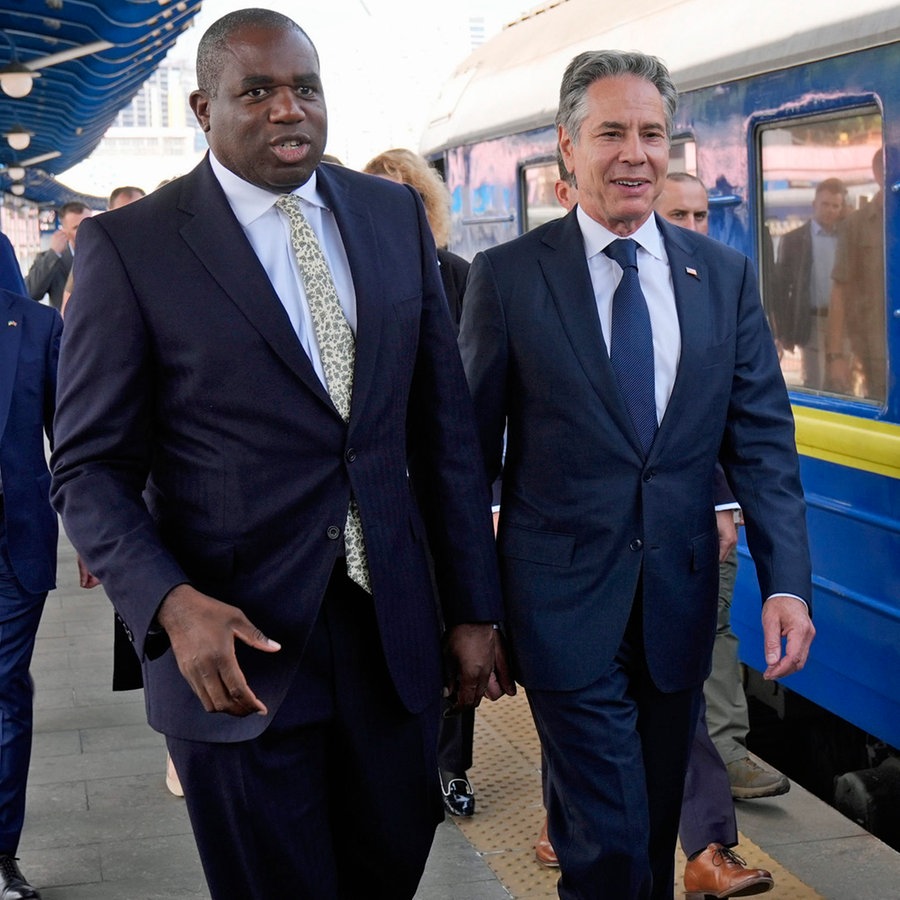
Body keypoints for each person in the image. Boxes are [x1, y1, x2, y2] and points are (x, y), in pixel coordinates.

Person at [50, 9, 512, 900]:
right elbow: (88, 468)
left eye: (305, 89)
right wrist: (171, 605)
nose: (287, 110)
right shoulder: (133, 247)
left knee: (387, 874)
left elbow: (443, 431)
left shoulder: (388, 217)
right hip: (237, 660)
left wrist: (473, 608)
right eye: (256, 91)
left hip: (393, 648)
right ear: (202, 106)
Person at [459, 50, 814, 899]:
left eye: (652, 133)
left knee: (651, 832)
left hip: (678, 606)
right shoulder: (508, 279)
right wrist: (471, 614)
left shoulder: (720, 277)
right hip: (558, 610)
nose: (635, 153)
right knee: (608, 840)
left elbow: (763, 441)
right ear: (567, 149)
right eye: (611, 132)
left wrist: (787, 584)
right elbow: (470, 458)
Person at [655, 173, 776, 898]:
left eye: (704, 212)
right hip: (592, 547)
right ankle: (561, 812)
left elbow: (743, 414)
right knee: (586, 697)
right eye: (681, 213)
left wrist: (725, 503)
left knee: (687, 690)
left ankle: (706, 848)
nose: (695, 225)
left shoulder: (722, 283)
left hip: (695, 532)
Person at [363, 147, 477, 815]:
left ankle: (451, 768)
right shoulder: (354, 276)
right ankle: (401, 762)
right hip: (376, 486)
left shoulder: (458, 276)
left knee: (455, 625)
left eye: (406, 195)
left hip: (436, 486)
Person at [0, 270, 63, 900]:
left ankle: (1, 856)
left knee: (2, 688)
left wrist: (99, 533)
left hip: (13, 542)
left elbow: (69, 436)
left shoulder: (37, 324)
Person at [772, 178, 846, 390]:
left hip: (843, 323)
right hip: (812, 321)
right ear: (814, 204)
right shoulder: (794, 239)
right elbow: (780, 288)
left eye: (836, 206)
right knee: (816, 382)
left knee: (842, 383)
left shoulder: (846, 238)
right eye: (825, 204)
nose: (830, 210)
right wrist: (784, 330)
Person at [826, 148, 885, 401]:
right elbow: (839, 292)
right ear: (878, 173)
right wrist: (836, 356)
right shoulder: (856, 225)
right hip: (876, 352)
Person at [61, 187, 146, 314]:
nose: (131, 220)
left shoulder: (161, 250)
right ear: (109, 214)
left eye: (138, 212)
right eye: (123, 214)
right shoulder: (94, 253)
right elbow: (67, 312)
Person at [24, 202, 92, 311]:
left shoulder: (106, 253)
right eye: (76, 227)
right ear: (64, 231)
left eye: (89, 225)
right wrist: (54, 253)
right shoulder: (51, 259)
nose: (85, 231)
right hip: (69, 325)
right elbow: (30, 292)